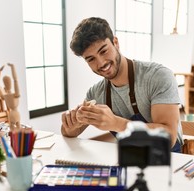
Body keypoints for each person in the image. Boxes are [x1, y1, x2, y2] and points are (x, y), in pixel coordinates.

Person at [61, 17, 183, 152]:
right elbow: (70, 132)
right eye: (91, 59)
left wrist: (115, 123)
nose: (101, 63)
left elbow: (168, 138)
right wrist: (70, 123)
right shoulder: (96, 93)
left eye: (103, 51)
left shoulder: (157, 76)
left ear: (115, 42)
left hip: (167, 160)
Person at [0, 63, 21, 130]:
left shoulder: (5, 96)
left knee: (13, 131)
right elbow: (15, 80)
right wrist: (12, 67)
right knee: (19, 130)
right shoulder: (15, 94)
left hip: (11, 114)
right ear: (11, 84)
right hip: (16, 114)